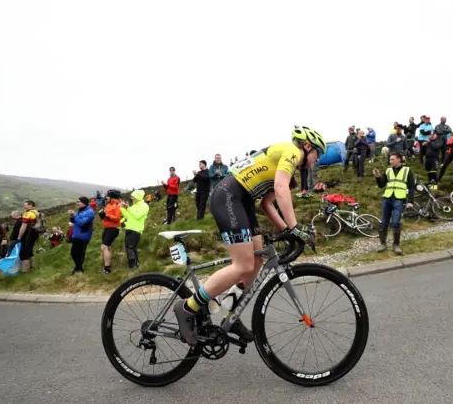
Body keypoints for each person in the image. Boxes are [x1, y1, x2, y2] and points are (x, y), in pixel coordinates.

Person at [173, 125, 326, 346]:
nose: (317, 160)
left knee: (255, 263)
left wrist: (286, 229)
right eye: (317, 154)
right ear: (308, 146)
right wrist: (294, 228)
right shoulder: (292, 152)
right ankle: (188, 307)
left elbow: (267, 203)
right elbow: (281, 189)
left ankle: (230, 313)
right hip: (229, 196)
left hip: (243, 201)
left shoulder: (285, 164)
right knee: (243, 265)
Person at [373, 152, 415, 255]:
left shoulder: (407, 170)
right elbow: (381, 185)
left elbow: (411, 187)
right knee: (383, 223)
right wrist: (378, 177)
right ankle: (383, 244)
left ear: (399, 160)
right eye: (390, 159)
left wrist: (410, 201)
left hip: (399, 199)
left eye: (392, 159)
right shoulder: (388, 170)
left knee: (396, 223)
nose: (390, 161)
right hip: (387, 199)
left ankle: (396, 245)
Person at [120, 189, 149, 269]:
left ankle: (134, 267)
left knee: (131, 248)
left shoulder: (144, 206)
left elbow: (137, 216)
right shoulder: (133, 206)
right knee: (129, 248)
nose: (131, 198)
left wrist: (128, 208)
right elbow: (127, 216)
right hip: (129, 229)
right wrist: (122, 208)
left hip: (136, 230)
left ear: (138, 197)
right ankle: (134, 266)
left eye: (132, 196)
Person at [68, 197, 95, 274]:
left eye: (78, 201)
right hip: (76, 235)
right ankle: (78, 268)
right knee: (73, 253)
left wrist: (75, 215)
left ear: (84, 202)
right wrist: (72, 216)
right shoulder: (80, 211)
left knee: (80, 253)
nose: (77, 203)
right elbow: (75, 221)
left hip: (84, 235)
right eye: (77, 201)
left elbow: (81, 223)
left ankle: (78, 269)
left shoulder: (89, 212)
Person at [99, 190, 123, 273]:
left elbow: (117, 218)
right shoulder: (108, 204)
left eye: (108, 196)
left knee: (104, 247)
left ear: (112, 196)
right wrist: (103, 216)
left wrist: (106, 215)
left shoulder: (117, 205)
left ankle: (107, 268)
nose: (106, 197)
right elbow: (107, 217)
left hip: (113, 228)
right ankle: (107, 266)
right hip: (107, 228)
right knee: (107, 247)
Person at [16, 200, 41, 273]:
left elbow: (23, 227)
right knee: (30, 251)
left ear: (30, 205)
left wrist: (19, 237)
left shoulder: (28, 214)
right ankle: (33, 267)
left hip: (28, 234)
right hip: (35, 234)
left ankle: (24, 271)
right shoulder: (36, 212)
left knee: (24, 253)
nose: (24, 206)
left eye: (25, 205)